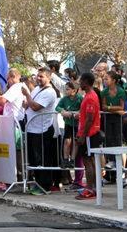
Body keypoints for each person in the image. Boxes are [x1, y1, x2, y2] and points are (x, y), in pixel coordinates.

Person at [22, 67, 59, 195]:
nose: (38, 78)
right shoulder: (37, 89)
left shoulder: (50, 92)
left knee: (43, 159)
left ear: (49, 78)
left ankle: (45, 185)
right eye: (38, 76)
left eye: (42, 76)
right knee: (34, 159)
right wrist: (27, 101)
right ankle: (37, 183)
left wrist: (27, 95)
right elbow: (28, 104)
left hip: (42, 130)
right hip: (32, 128)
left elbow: (36, 107)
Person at [75, 72, 102, 200]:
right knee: (89, 161)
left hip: (89, 135)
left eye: (81, 81)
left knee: (88, 161)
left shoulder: (91, 97)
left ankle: (90, 189)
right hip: (88, 134)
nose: (79, 83)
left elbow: (90, 119)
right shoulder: (88, 96)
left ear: (86, 82)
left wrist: (83, 135)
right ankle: (94, 188)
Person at [56, 82, 83, 170]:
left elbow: (83, 108)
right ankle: (65, 159)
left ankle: (72, 160)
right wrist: (63, 111)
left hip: (77, 124)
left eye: (67, 89)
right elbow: (57, 107)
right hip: (68, 123)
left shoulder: (79, 98)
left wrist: (78, 113)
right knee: (67, 142)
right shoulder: (64, 99)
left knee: (75, 142)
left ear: (74, 90)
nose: (65, 90)